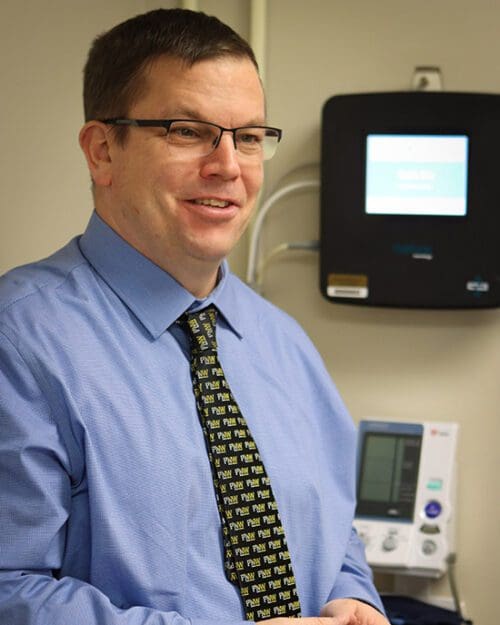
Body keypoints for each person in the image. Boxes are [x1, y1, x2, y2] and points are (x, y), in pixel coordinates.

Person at [0, 8, 389, 625]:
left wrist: (352, 596)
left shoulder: (284, 343)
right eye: (188, 130)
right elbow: (8, 588)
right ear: (102, 150)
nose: (228, 166)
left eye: (250, 136)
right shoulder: (19, 341)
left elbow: (330, 527)